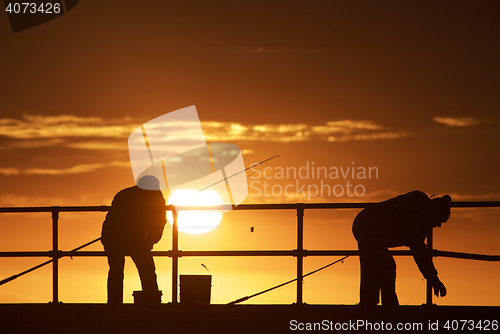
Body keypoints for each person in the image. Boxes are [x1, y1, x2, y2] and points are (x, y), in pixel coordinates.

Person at [352, 190, 451, 306]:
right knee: (385, 265)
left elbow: (419, 252)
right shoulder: (419, 220)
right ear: (434, 213)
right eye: (440, 221)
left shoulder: (419, 204)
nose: (438, 225)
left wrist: (433, 278)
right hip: (367, 226)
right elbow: (419, 254)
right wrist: (433, 279)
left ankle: (372, 302)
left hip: (365, 223)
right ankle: (384, 304)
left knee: (374, 265)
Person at [101, 175, 166, 305]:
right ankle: (152, 304)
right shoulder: (156, 198)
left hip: (113, 237)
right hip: (135, 239)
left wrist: (149, 241)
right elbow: (160, 222)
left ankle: (114, 304)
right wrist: (151, 241)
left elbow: (111, 220)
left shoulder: (124, 194)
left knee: (116, 271)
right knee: (147, 270)